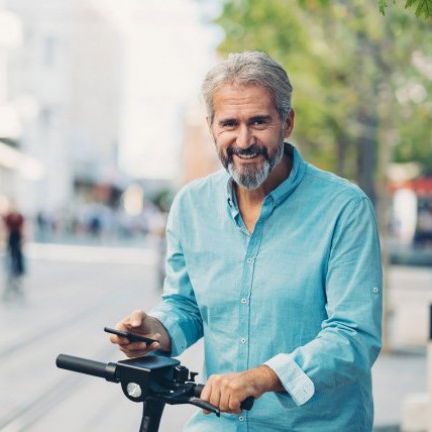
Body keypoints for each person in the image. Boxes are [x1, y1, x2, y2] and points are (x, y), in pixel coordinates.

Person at [110, 51, 382, 431]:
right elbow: (185, 304)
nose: (244, 140)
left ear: (287, 122)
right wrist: (157, 331)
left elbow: (355, 336)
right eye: (229, 123)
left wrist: (265, 376)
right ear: (210, 127)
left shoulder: (344, 208)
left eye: (259, 122)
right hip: (218, 422)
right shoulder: (191, 205)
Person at [2, 203, 26, 299]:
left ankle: (18, 275)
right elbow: (4, 229)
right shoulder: (8, 217)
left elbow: (24, 228)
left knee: (19, 258)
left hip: (18, 238)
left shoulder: (20, 217)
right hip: (11, 239)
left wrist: (24, 240)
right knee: (10, 257)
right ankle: (11, 275)